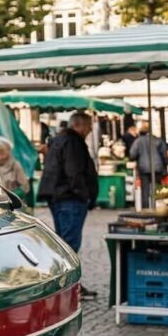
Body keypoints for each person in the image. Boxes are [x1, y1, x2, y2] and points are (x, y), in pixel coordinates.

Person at [38, 112, 100, 300]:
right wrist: (84, 194)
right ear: (78, 125)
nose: (89, 131)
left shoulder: (59, 140)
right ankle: (67, 288)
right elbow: (74, 172)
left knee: (64, 244)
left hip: (60, 196)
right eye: (88, 126)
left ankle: (68, 286)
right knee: (69, 245)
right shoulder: (72, 142)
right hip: (69, 198)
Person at [127, 119, 168, 210]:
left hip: (143, 168)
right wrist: (165, 165)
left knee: (145, 191)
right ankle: (159, 208)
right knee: (157, 189)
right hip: (157, 168)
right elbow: (164, 155)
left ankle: (145, 210)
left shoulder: (138, 141)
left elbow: (132, 154)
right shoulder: (158, 140)